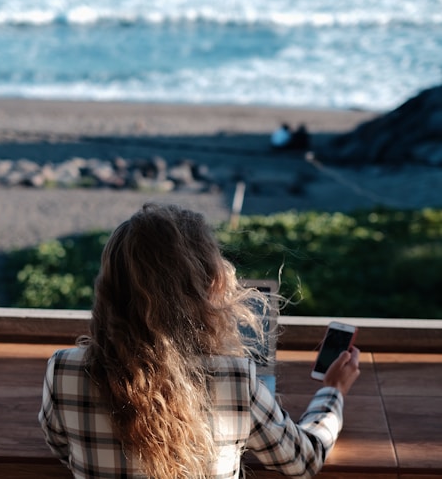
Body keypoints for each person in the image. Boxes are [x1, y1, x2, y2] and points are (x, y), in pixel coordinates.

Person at [38, 203, 360, 479]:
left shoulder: (64, 370)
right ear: (208, 287)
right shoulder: (234, 379)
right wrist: (332, 391)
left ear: (109, 285)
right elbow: (304, 460)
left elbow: (60, 447)